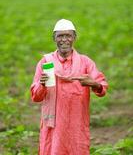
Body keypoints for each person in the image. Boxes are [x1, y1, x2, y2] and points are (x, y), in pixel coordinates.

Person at [30, 19, 108, 155]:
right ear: (54, 38)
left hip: (77, 123)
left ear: (74, 38)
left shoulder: (85, 62)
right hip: (53, 126)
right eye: (60, 36)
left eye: (68, 36)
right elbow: (35, 96)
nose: (64, 40)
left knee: (77, 149)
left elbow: (102, 88)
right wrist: (42, 84)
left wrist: (93, 83)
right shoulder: (45, 62)